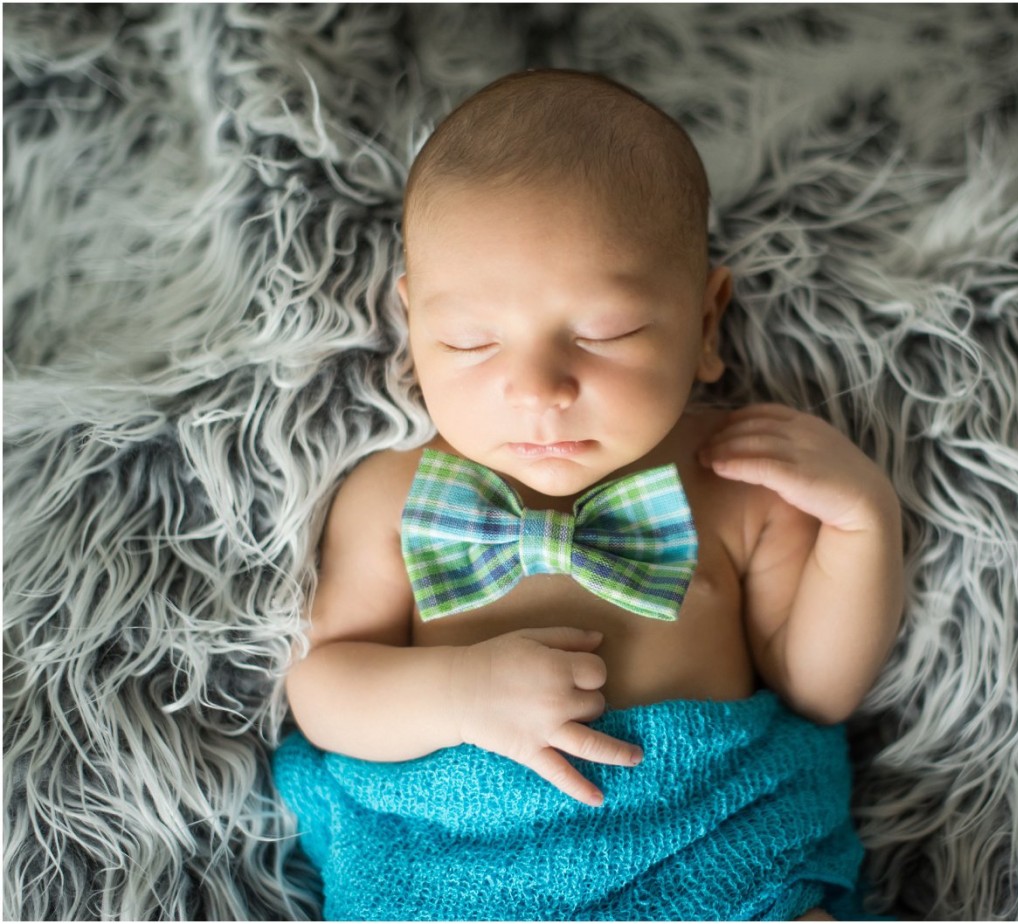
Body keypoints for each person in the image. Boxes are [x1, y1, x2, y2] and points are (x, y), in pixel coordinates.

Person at [274, 68, 904, 922]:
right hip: (464, 867)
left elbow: (815, 692)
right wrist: (456, 694)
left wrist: (862, 524)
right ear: (413, 325)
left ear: (706, 322)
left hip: (706, 844)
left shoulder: (739, 479)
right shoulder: (395, 492)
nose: (538, 388)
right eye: (470, 341)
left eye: (605, 332)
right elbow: (323, 689)